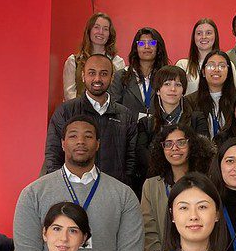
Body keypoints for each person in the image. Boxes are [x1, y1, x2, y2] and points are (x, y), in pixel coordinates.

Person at [16, 115, 143, 251]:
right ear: (62, 143)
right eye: (73, 136)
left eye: (88, 136)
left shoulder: (123, 195)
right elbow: (27, 248)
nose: (81, 141)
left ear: (98, 144)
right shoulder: (33, 193)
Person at [45, 53, 137, 185]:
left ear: (112, 78)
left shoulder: (125, 115)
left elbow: (131, 161)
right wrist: (62, 188)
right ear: (83, 76)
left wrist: (121, 189)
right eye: (92, 73)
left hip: (112, 192)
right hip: (72, 191)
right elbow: (53, 156)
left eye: (104, 74)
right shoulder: (66, 111)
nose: (97, 79)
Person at [141, 123, 214, 251]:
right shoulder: (151, 186)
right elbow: (149, 232)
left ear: (191, 146)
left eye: (181, 143)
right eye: (168, 144)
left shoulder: (206, 183)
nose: (174, 148)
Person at [135, 65, 209, 190]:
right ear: (158, 90)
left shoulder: (197, 119)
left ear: (183, 91)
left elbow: (202, 153)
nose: (173, 89)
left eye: (178, 85)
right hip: (157, 184)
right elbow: (142, 157)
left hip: (191, 183)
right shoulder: (145, 123)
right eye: (167, 84)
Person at [109, 27, 169, 122]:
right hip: (128, 132)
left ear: (158, 48)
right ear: (136, 48)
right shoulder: (121, 76)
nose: (146, 47)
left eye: (152, 43)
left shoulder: (166, 77)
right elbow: (113, 107)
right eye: (141, 43)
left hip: (159, 131)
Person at [63, 13, 125, 101]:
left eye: (105, 29)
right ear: (89, 30)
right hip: (79, 113)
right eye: (97, 27)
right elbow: (69, 95)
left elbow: (119, 95)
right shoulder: (73, 61)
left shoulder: (117, 62)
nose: (101, 32)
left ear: (110, 34)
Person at [185, 49, 236, 139]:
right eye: (211, 66)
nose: (216, 70)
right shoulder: (190, 101)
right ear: (203, 72)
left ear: (229, 72)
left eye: (222, 66)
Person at [175, 18, 222, 95]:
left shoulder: (227, 65)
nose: (204, 37)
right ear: (194, 37)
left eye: (208, 33)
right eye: (199, 33)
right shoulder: (183, 65)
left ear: (215, 36)